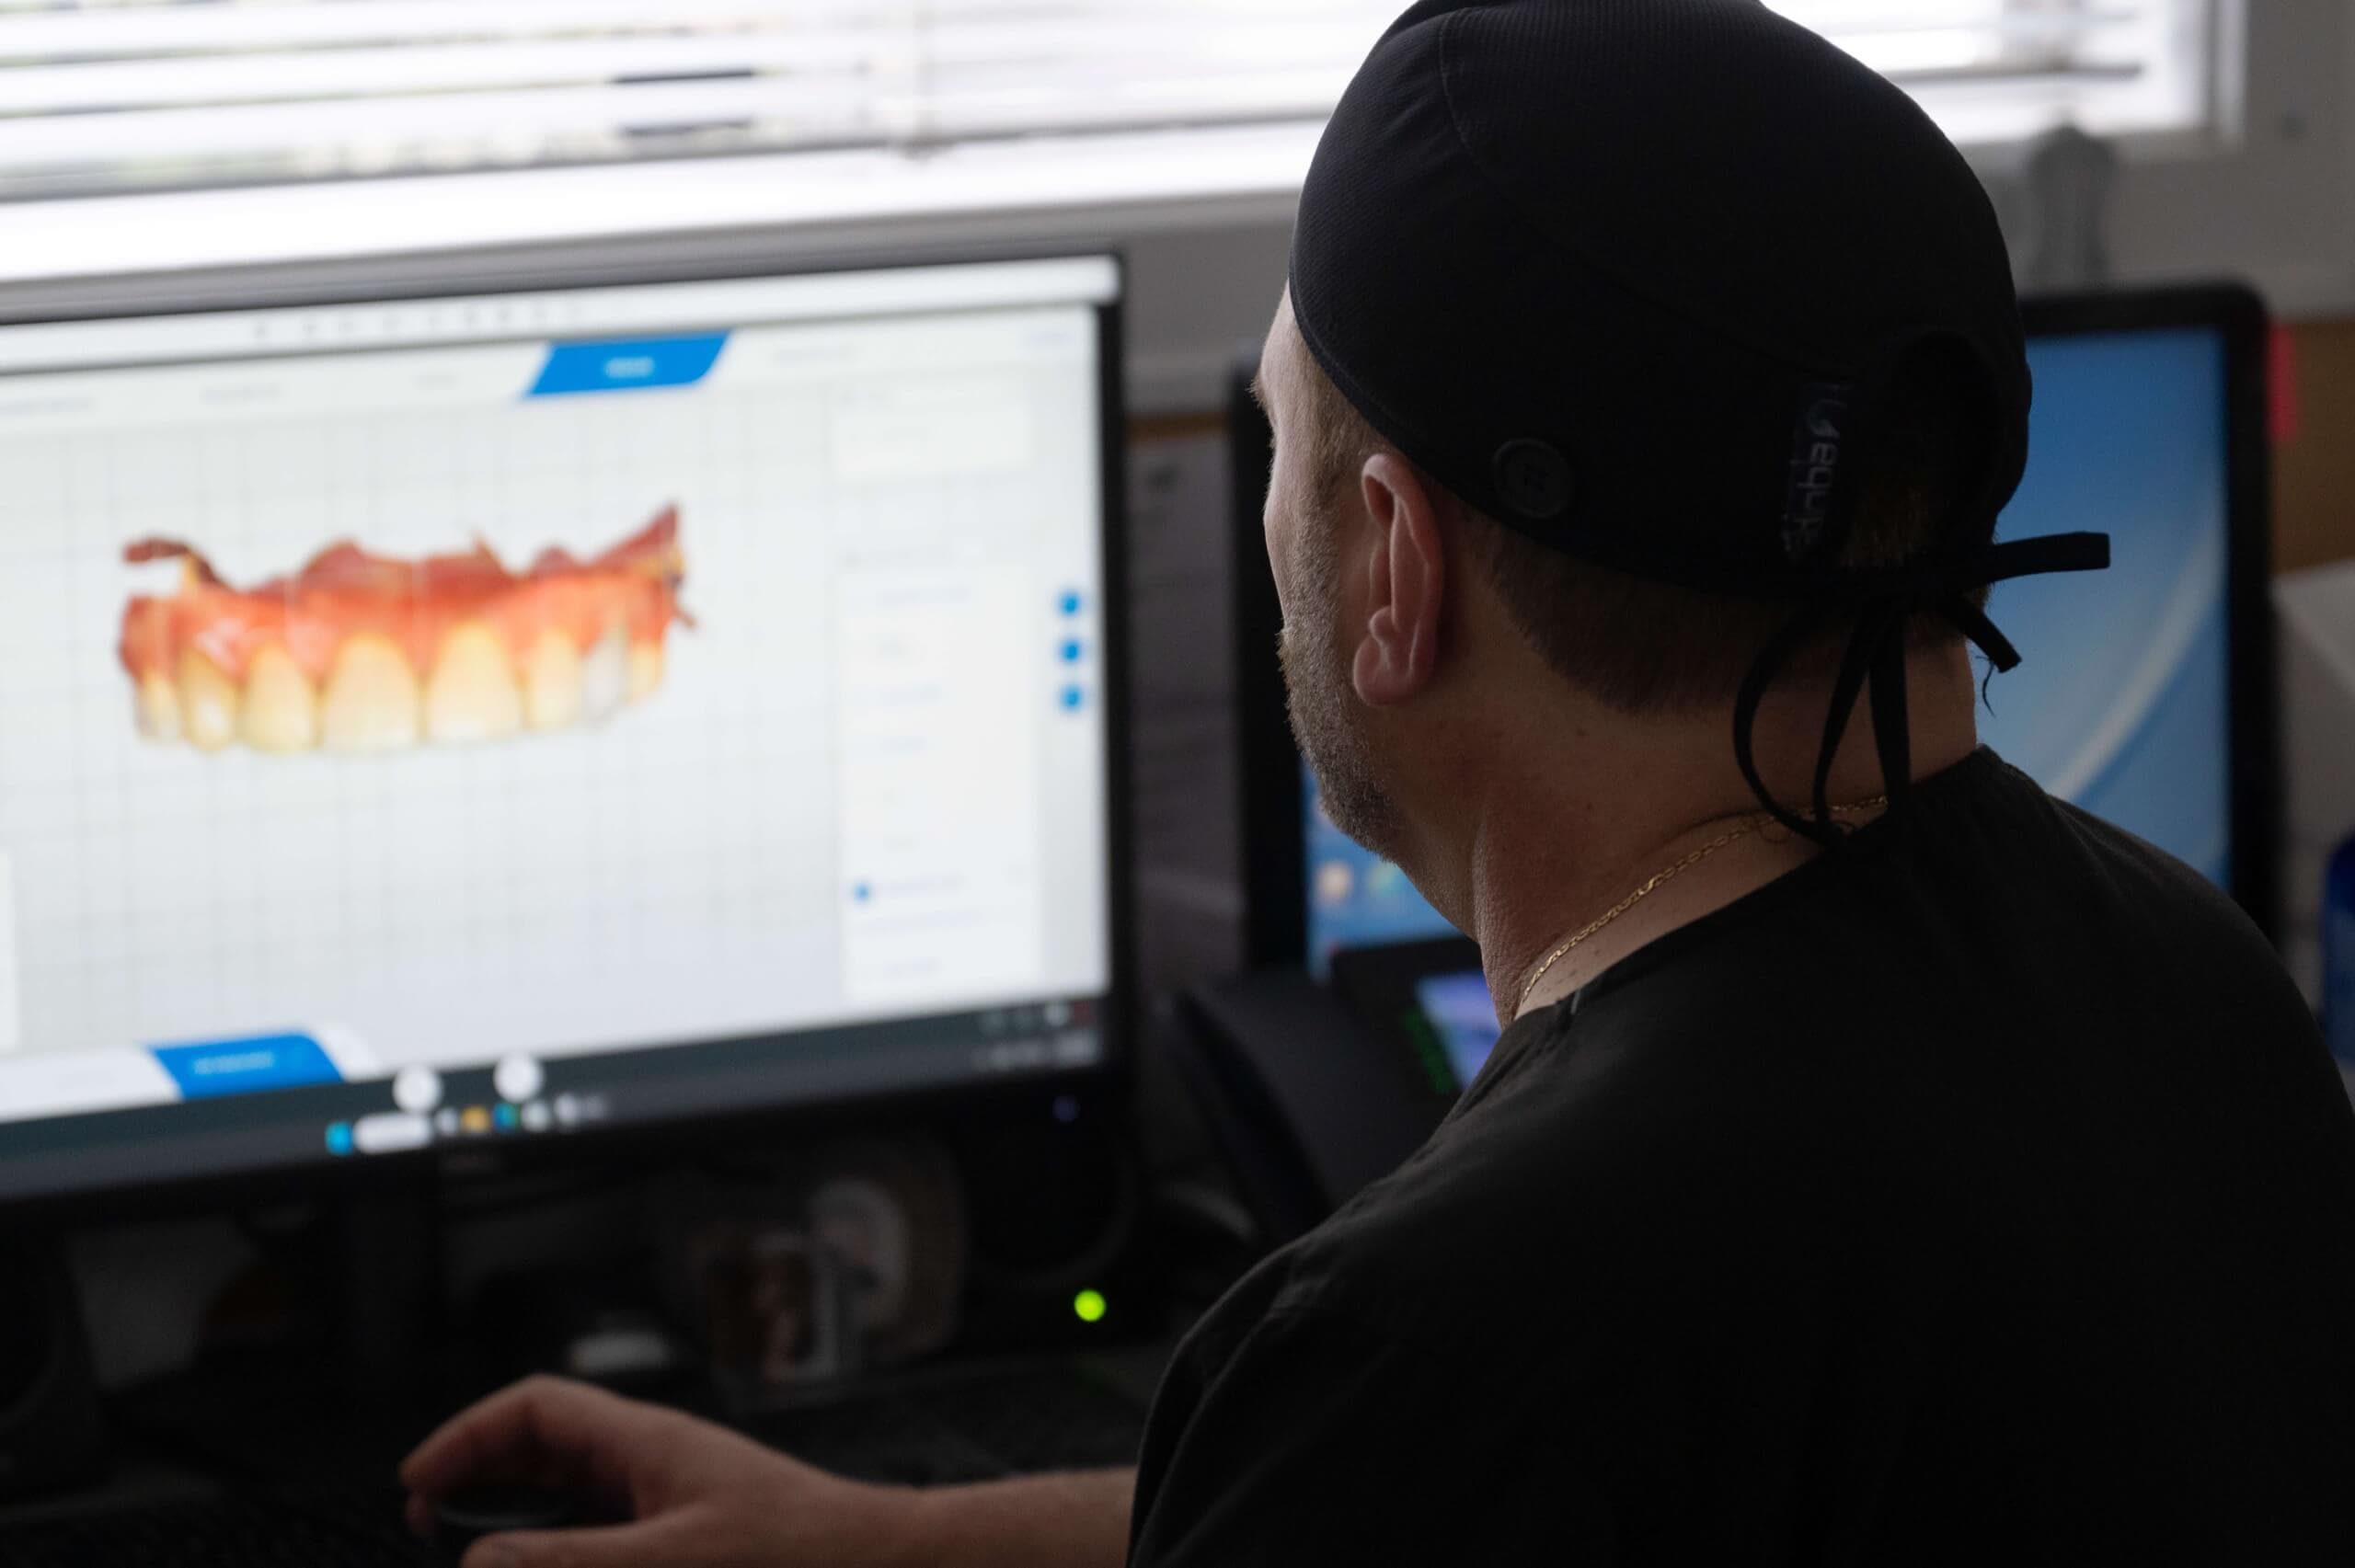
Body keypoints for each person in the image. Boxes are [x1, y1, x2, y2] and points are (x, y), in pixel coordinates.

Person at [403, 1, 2355, 1562]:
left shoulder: (1446, 1330)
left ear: (1392, 567)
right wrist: (873, 1540)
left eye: (1272, 439)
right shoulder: (2199, 998)